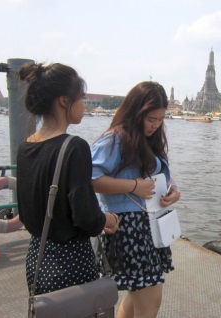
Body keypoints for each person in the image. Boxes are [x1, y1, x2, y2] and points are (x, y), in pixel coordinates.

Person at [16, 62, 119, 296]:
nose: (84, 105)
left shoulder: (25, 146)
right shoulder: (74, 147)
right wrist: (109, 220)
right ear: (64, 101)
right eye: (81, 98)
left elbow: (26, 210)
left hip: (37, 257)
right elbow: (87, 218)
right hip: (71, 262)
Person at [91, 81, 181, 318]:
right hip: (129, 229)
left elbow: (161, 176)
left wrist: (173, 191)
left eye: (161, 119)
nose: (156, 125)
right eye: (151, 119)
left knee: (137, 296)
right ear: (136, 112)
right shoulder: (115, 139)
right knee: (149, 303)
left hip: (148, 225)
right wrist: (134, 186)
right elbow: (90, 179)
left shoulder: (146, 139)